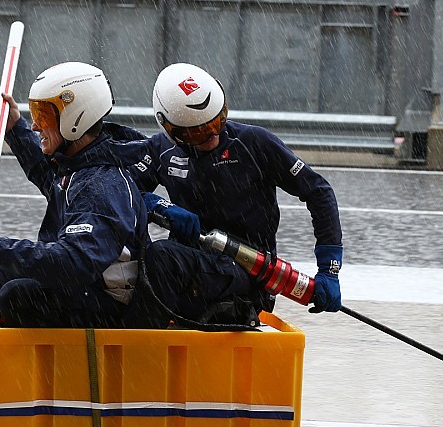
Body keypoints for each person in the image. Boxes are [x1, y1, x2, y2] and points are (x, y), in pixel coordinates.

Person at [127, 62, 343, 323]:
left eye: (217, 121)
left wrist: (329, 268)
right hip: (189, 261)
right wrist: (158, 206)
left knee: (159, 258)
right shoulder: (160, 149)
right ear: (172, 130)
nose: (213, 135)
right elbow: (124, 189)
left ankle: (144, 345)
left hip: (249, 272)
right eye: (199, 131)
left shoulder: (254, 143)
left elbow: (319, 192)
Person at [0, 61, 148, 328]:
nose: (37, 126)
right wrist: (15, 127)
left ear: (76, 119)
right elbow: (48, 176)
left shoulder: (101, 184)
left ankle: (52, 363)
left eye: (43, 117)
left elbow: (73, 262)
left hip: (109, 302)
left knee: (17, 296)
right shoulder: (77, 163)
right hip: (84, 282)